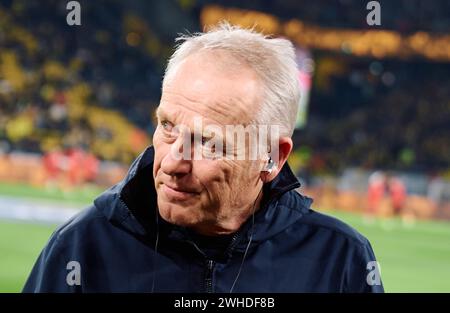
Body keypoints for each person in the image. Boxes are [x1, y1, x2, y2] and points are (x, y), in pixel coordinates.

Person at [23, 23, 383, 293]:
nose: (171, 163)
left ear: (271, 156)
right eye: (167, 126)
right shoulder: (82, 245)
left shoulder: (340, 261)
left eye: (208, 143)